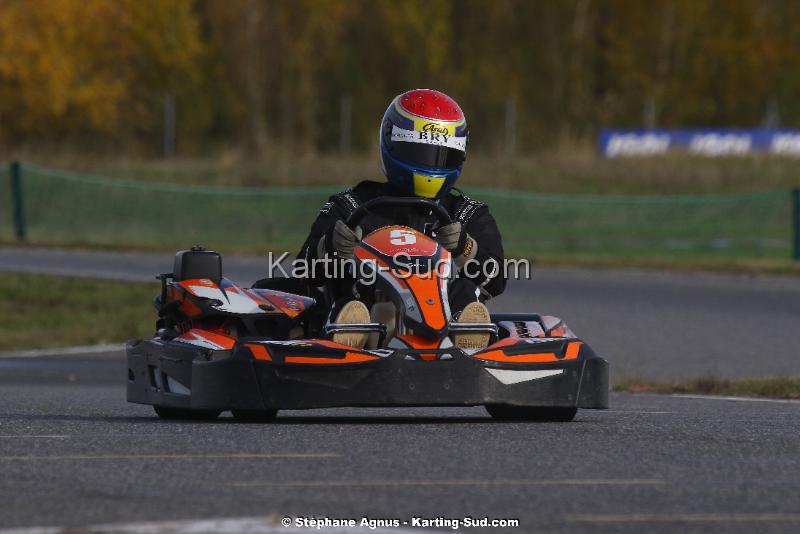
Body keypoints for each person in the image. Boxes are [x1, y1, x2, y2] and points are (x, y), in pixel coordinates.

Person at [298, 89, 506, 349]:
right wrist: (329, 246)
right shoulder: (352, 205)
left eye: (441, 155)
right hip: (365, 330)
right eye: (420, 153)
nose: (430, 164)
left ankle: (468, 333)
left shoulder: (467, 213)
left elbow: (496, 279)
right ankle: (357, 330)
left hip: (445, 335)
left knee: (464, 288)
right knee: (353, 282)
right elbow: (304, 271)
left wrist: (465, 249)